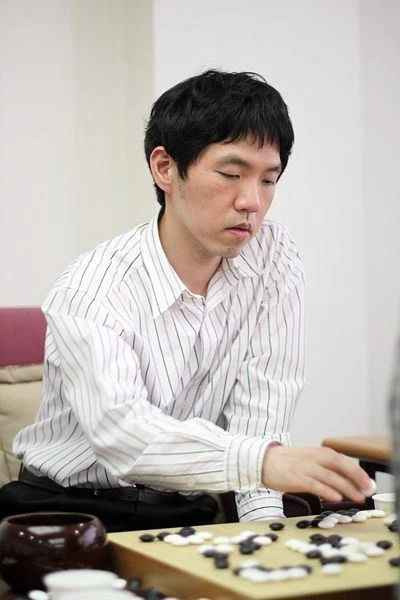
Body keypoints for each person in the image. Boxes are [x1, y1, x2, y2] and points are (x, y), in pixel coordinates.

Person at [0, 70, 372, 532]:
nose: (252, 201)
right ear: (164, 168)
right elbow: (125, 436)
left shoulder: (274, 258)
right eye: (231, 174)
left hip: (187, 506)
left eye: (269, 180)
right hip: (68, 511)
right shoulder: (90, 289)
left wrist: (266, 535)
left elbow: (263, 413)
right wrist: (263, 461)